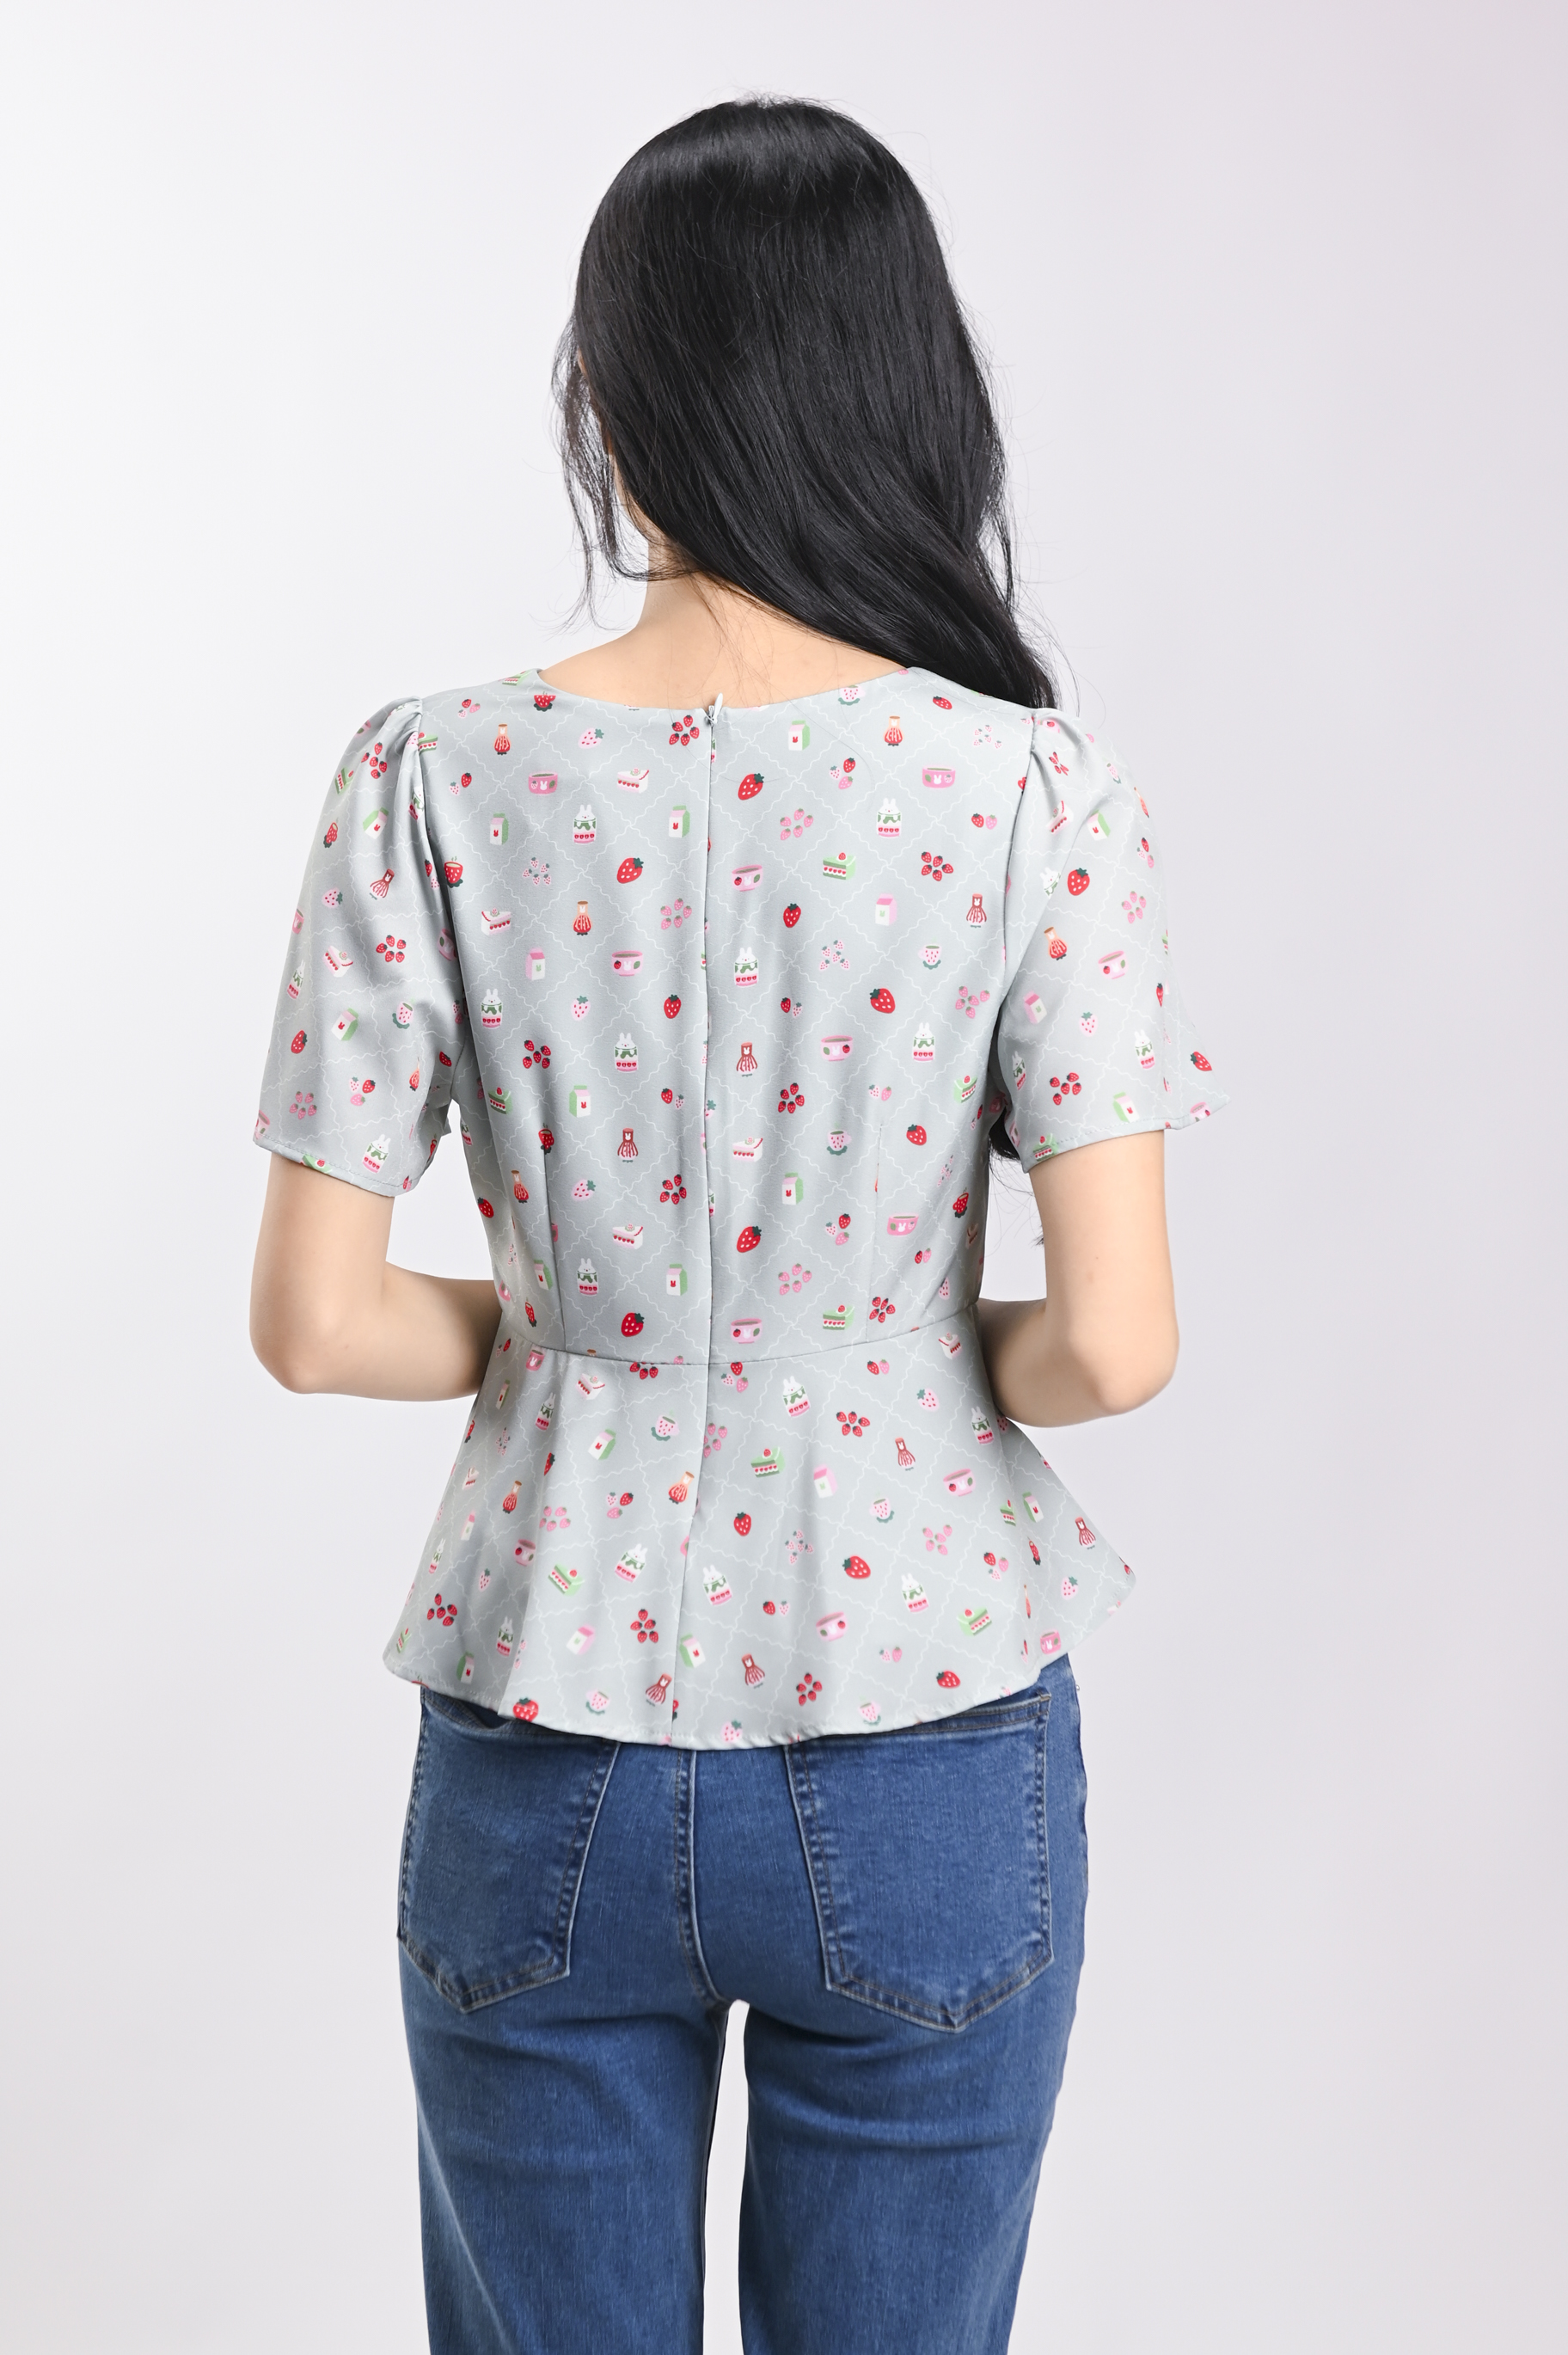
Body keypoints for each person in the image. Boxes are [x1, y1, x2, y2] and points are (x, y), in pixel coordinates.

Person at [249, 96, 1226, 2355]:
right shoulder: (1028, 788)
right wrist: (883, 1355)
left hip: (544, 1714)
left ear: (610, 393)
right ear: (902, 389)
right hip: (928, 1719)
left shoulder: (431, 771)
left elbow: (313, 1320)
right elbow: (1117, 1342)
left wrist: (590, 1341)